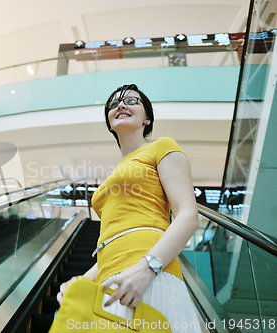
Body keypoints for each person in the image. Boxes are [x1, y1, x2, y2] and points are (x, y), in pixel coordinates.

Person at [56, 84, 202, 332]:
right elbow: (112, 240)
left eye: (131, 101)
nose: (120, 105)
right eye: (113, 105)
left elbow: (188, 215)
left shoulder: (161, 147)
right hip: (109, 283)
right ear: (109, 122)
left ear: (147, 118)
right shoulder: (113, 177)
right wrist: (83, 280)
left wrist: (147, 268)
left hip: (150, 274)